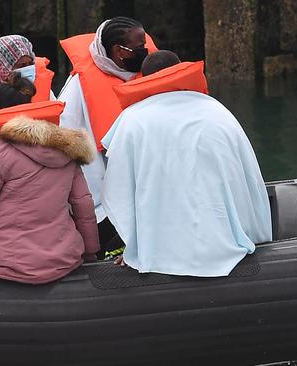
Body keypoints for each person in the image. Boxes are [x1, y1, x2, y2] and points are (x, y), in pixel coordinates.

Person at [102, 51, 272, 277]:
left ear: (144, 77)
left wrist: (135, 246)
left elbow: (117, 192)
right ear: (181, 69)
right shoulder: (217, 110)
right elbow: (249, 177)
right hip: (227, 240)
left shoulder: (132, 120)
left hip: (158, 251)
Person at [0, 74, 99, 284]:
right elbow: (83, 205)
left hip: (1, 258)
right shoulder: (66, 150)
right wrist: (91, 253)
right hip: (62, 257)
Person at [57, 16, 158, 257]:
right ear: (118, 51)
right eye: (138, 48)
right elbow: (66, 137)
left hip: (144, 179)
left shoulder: (147, 74)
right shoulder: (77, 87)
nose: (144, 52)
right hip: (100, 185)